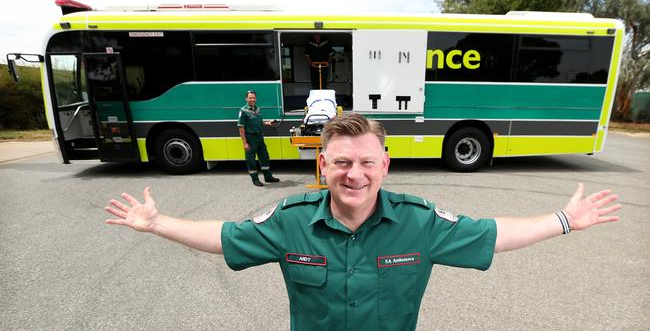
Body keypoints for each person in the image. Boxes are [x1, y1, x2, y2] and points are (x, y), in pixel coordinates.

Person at [105, 113, 622, 331]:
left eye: (367, 162)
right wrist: (158, 224)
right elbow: (224, 238)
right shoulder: (290, 221)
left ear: (384, 166)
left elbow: (493, 234)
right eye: (343, 162)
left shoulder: (420, 223)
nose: (355, 174)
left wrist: (564, 220)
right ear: (323, 166)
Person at [237, 90, 279, 186]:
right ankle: (255, 179)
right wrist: (244, 143)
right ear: (246, 99)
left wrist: (268, 123)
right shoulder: (243, 111)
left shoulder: (258, 109)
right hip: (250, 138)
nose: (252, 99)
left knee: (264, 157)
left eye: (254, 97)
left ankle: (268, 177)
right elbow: (241, 127)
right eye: (250, 98)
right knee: (251, 160)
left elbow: (260, 122)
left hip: (259, 137)